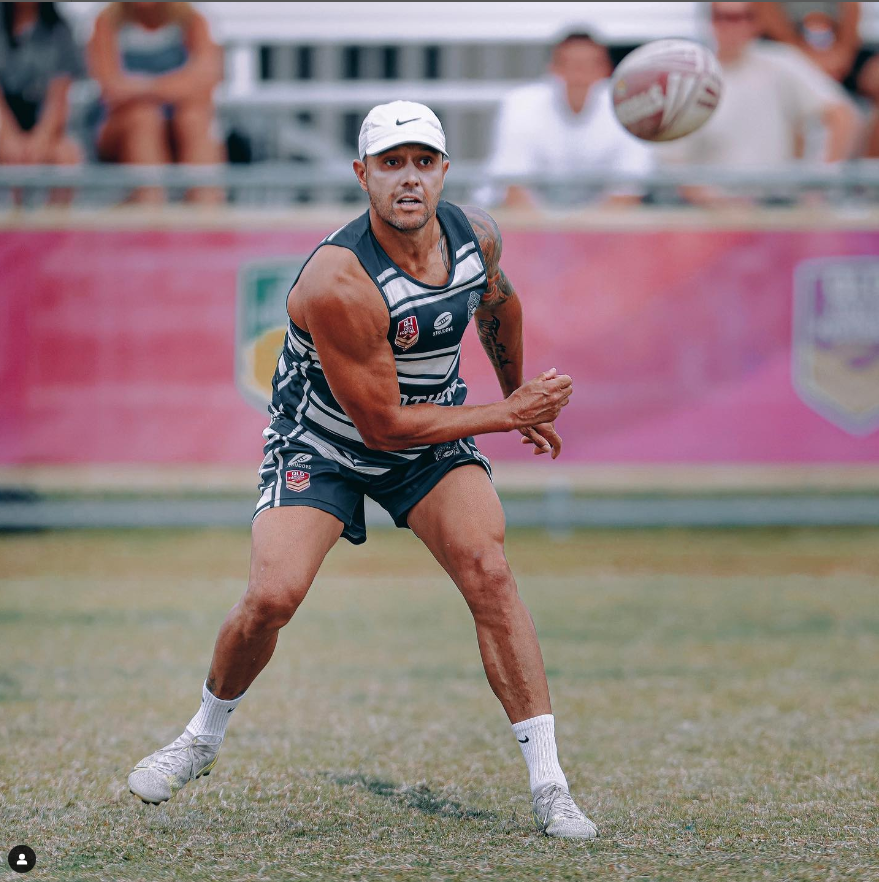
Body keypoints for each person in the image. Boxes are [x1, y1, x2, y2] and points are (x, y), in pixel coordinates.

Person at [126, 100, 597, 840]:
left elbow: (497, 307)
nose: (408, 178)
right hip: (323, 442)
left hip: (429, 437)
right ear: (361, 174)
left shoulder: (476, 237)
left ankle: (551, 786)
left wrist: (518, 396)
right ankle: (200, 738)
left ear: (444, 171)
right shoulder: (338, 280)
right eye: (390, 163)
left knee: (490, 571)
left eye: (423, 162)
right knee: (272, 597)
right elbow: (382, 426)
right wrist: (507, 414)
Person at [658, 2, 860, 205]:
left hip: (775, 206)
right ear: (711, 21)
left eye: (745, 17)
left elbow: (841, 115)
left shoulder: (781, 62)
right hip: (712, 212)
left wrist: (818, 185)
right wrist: (719, 204)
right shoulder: (691, 79)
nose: (734, 25)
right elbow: (675, 164)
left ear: (756, 22)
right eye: (723, 17)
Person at [479, 30, 654, 209]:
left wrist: (576, 225)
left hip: (598, 224)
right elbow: (513, 193)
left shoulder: (628, 108)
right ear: (552, 69)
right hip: (527, 221)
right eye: (569, 65)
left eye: (589, 66)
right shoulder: (520, 104)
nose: (578, 76)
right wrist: (555, 226)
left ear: (607, 70)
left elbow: (627, 196)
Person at [86, 1, 224, 204]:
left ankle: (206, 208)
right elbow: (112, 89)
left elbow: (205, 81)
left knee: (194, 118)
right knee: (143, 118)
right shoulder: (108, 22)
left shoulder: (192, 21)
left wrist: (141, 87)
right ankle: (151, 205)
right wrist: (174, 87)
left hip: (178, 127)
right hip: (121, 129)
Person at [753, 2, 879, 158]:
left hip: (835, 48)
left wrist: (842, 55)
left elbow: (852, 7)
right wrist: (802, 57)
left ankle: (871, 167)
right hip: (784, 48)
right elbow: (763, 9)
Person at [0, 2, 83, 195]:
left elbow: (58, 99)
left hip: (44, 130)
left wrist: (38, 142)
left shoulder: (61, 31)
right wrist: (8, 138)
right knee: (11, 160)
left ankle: (55, 216)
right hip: (4, 127)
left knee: (67, 157)